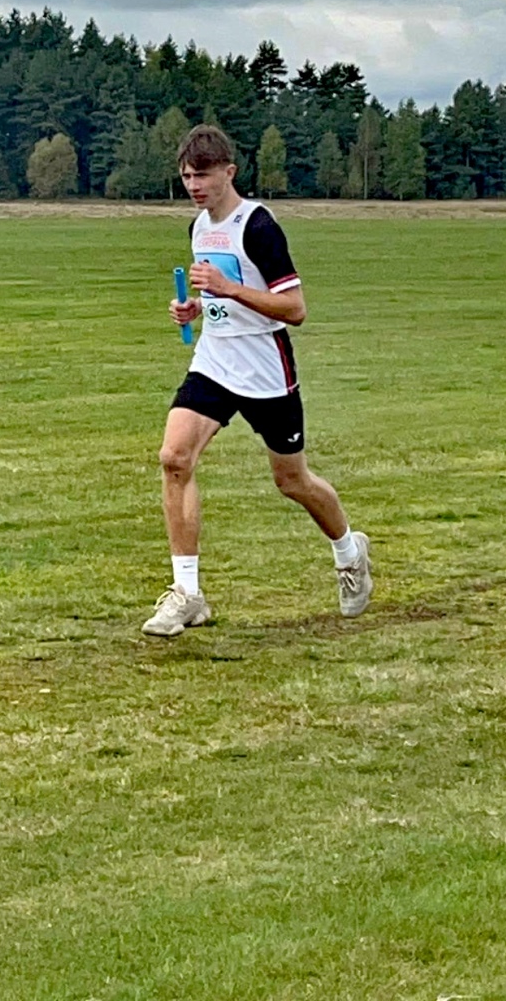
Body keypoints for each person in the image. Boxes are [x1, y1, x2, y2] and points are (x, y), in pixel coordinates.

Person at [142, 123, 372, 638]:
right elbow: (221, 296)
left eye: (203, 175)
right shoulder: (199, 228)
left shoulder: (259, 226)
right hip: (214, 360)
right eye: (186, 177)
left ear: (229, 171)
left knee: (292, 481)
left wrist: (226, 287)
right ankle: (188, 594)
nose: (194, 186)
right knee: (174, 458)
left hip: (266, 368)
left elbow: (294, 309)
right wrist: (196, 306)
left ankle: (349, 551)